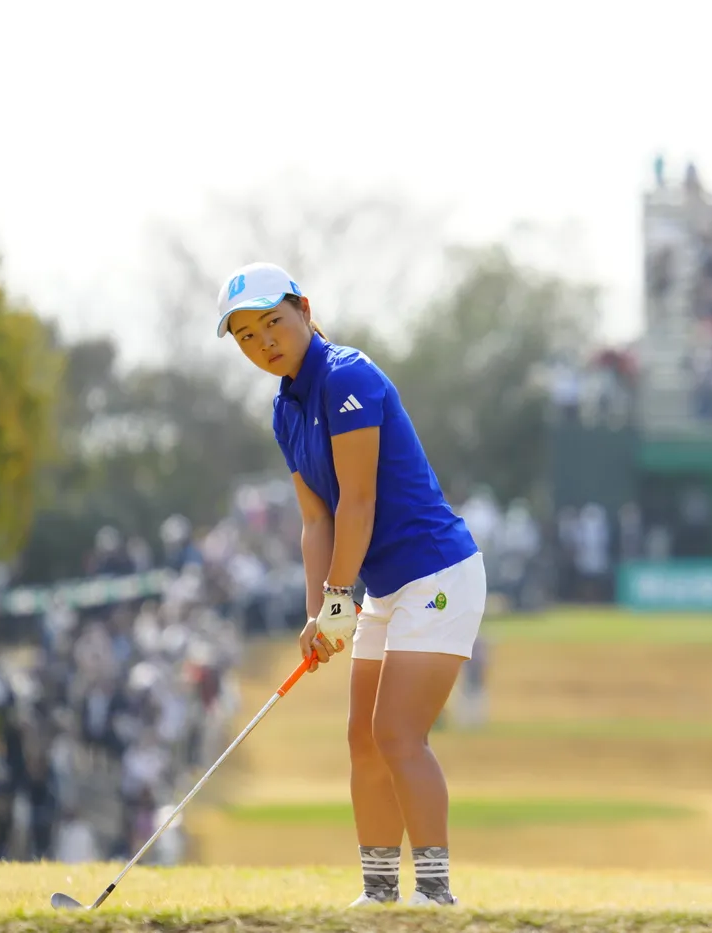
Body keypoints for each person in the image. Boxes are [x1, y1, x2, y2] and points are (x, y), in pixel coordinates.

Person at [217, 262, 484, 908]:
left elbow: (358, 503)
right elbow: (317, 521)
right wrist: (318, 612)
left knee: (397, 734)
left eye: (272, 323)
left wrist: (339, 598)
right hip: (385, 588)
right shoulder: (285, 409)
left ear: (304, 309)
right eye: (247, 336)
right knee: (363, 739)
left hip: (437, 574)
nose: (264, 342)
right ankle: (380, 894)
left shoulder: (347, 377)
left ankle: (436, 895)